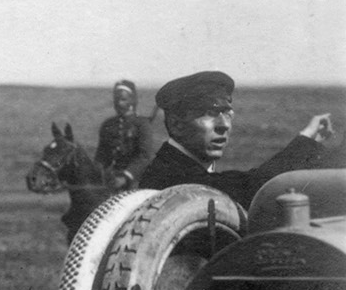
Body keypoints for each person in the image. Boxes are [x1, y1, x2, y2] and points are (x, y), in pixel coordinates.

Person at [137, 70, 335, 204]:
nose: (224, 125)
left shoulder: (176, 165)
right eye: (211, 113)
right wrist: (306, 140)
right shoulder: (170, 176)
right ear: (177, 124)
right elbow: (252, 188)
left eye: (227, 113)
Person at [93, 79, 152, 191]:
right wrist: (98, 172)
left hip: (135, 180)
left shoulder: (142, 125)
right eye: (117, 99)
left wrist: (126, 177)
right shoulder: (107, 125)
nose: (119, 103)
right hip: (110, 179)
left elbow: (144, 156)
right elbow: (101, 155)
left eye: (123, 99)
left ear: (132, 100)